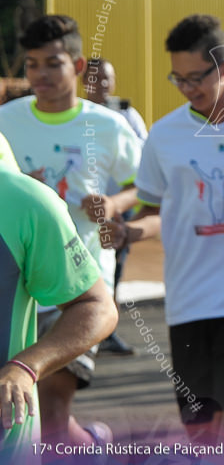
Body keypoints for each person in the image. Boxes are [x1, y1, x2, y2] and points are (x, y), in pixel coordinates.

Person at [122, 14, 224, 447]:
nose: (187, 88)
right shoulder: (163, 134)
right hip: (188, 303)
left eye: (197, 77)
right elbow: (159, 211)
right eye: (177, 79)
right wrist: (129, 233)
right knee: (200, 434)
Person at [0, 16, 141, 448]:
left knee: (53, 412)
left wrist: (115, 205)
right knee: (33, 412)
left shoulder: (109, 125)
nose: (40, 74)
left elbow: (149, 186)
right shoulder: (8, 118)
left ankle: (90, 450)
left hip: (78, 276)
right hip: (18, 278)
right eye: (32, 64)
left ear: (78, 66)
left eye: (52, 63)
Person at [0, 169, 118, 462]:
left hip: (7, 445)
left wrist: (26, 367)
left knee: (55, 406)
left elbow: (96, 306)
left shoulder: (24, 201)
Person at [83, 57, 146, 356]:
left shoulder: (126, 115)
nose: (102, 85)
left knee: (113, 272)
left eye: (108, 79)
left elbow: (143, 162)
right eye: (96, 79)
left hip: (118, 212)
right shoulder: (76, 116)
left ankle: (107, 330)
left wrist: (120, 204)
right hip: (80, 214)